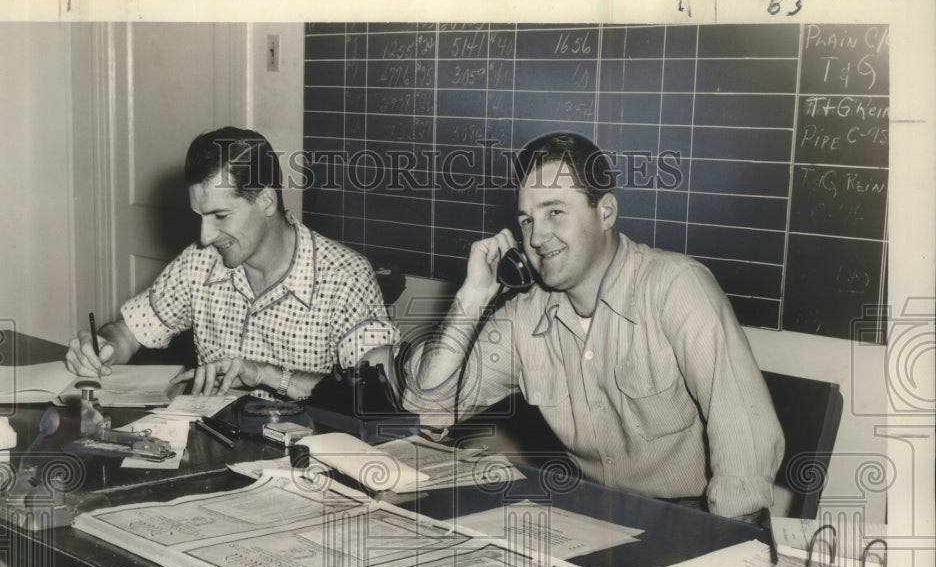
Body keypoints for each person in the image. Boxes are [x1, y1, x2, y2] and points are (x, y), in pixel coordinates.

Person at [401, 132, 784, 523]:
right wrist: (473, 297)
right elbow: (426, 411)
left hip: (692, 518)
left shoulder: (676, 287)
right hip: (594, 517)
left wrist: (718, 546)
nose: (536, 237)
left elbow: (744, 450)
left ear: (605, 213)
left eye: (554, 212)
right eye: (527, 220)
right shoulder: (525, 317)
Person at [66, 127, 400, 399]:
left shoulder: (345, 276)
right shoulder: (199, 262)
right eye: (200, 217)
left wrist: (265, 375)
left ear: (266, 201)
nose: (206, 236)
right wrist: (103, 347)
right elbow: (129, 331)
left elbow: (377, 394)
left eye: (220, 216)